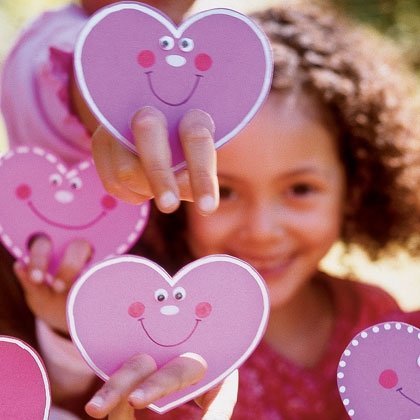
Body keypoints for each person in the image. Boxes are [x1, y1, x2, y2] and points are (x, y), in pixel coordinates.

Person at [1, 1, 420, 419]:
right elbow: (70, 403)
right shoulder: (152, 335)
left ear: (355, 183)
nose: (262, 229)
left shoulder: (376, 316)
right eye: (223, 190)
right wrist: (63, 329)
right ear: (174, 197)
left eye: (300, 189)